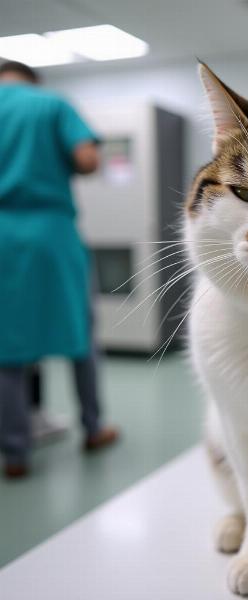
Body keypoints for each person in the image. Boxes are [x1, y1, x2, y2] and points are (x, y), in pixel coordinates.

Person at [0, 61, 119, 479]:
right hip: (50, 232)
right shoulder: (51, 105)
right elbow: (87, 158)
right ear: (32, 78)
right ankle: (93, 427)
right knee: (79, 333)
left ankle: (15, 453)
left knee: (6, 346)